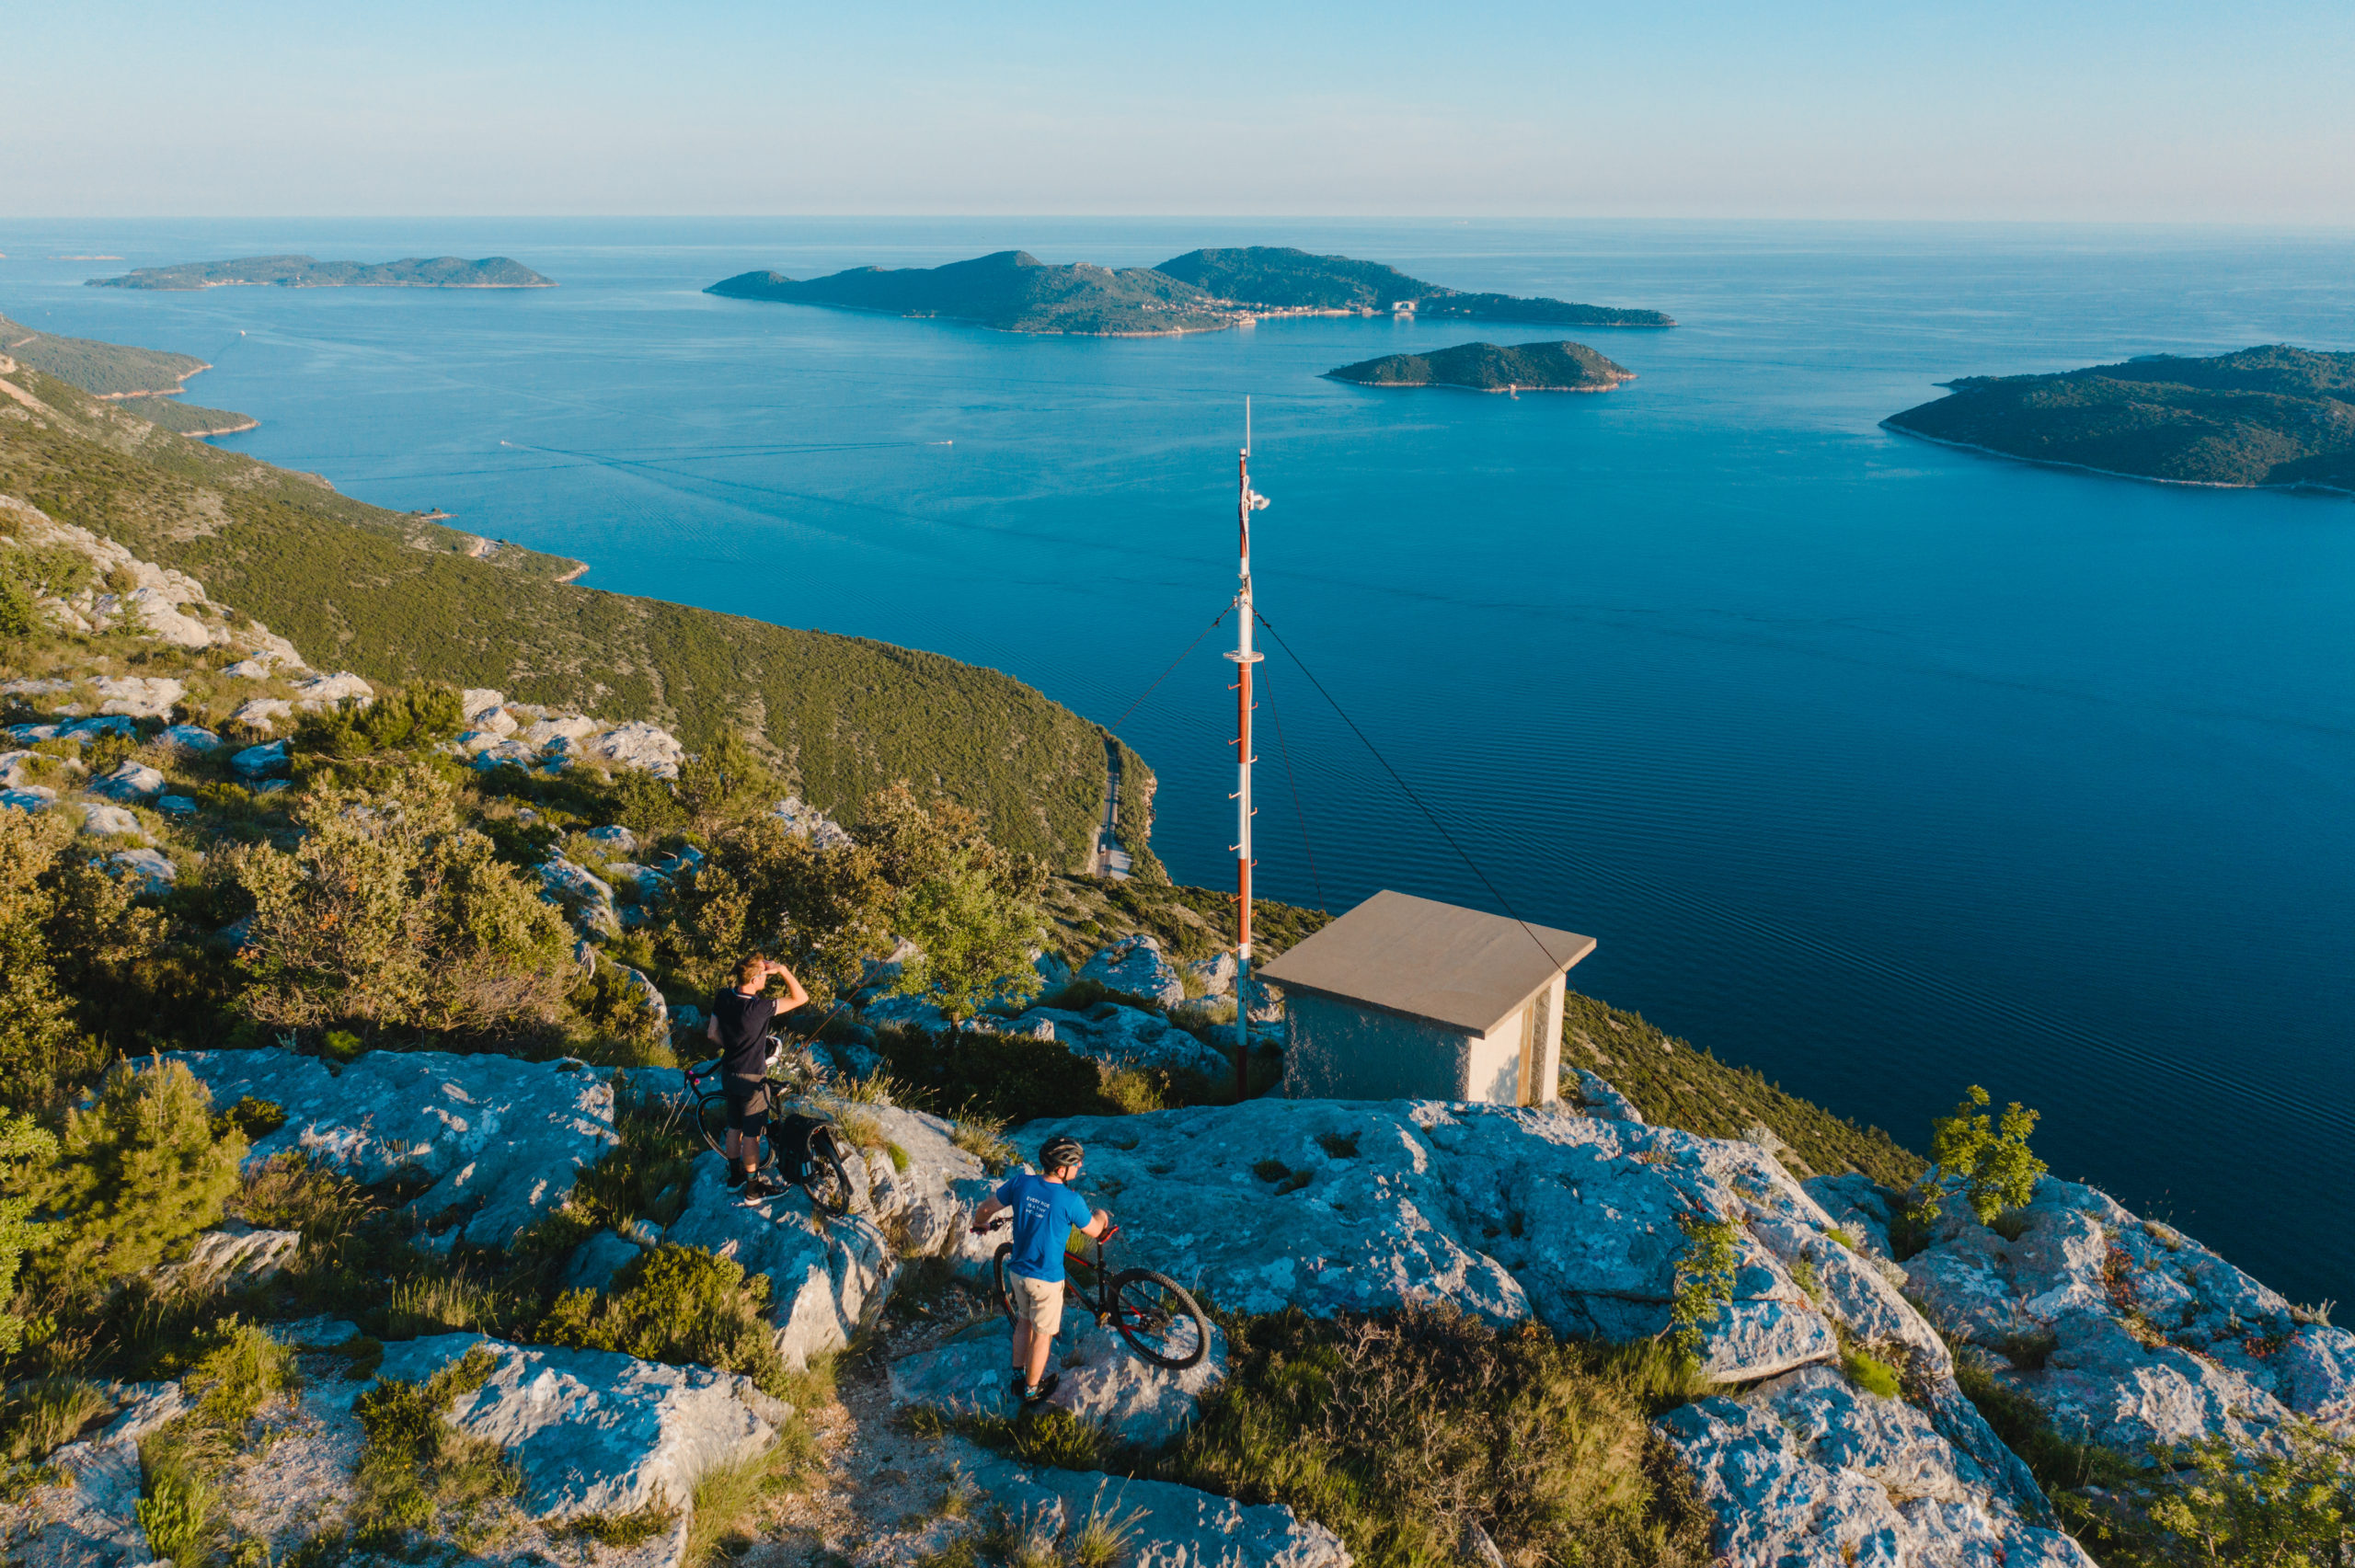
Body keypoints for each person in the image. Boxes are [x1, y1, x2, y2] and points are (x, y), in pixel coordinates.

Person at [970, 1133, 1108, 1403]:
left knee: (1024, 1321)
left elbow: (986, 1208)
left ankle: (1018, 1376)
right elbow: (1094, 1230)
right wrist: (1102, 1216)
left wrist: (981, 1223)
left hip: (1018, 1273)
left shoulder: (1021, 1182)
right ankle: (1032, 1391)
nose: (1080, 1167)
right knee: (1043, 1336)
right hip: (1046, 1280)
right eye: (1076, 1163)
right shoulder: (1071, 1201)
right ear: (1061, 1169)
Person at [704, 954, 809, 1196]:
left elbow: (712, 1033)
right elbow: (801, 998)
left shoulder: (723, 997)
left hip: (729, 1072)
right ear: (754, 978)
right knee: (752, 1136)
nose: (766, 980)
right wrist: (782, 970)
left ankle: (735, 1177)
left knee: (734, 1127)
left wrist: (732, 1048)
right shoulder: (759, 1008)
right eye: (763, 975)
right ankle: (753, 1187)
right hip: (752, 1078)